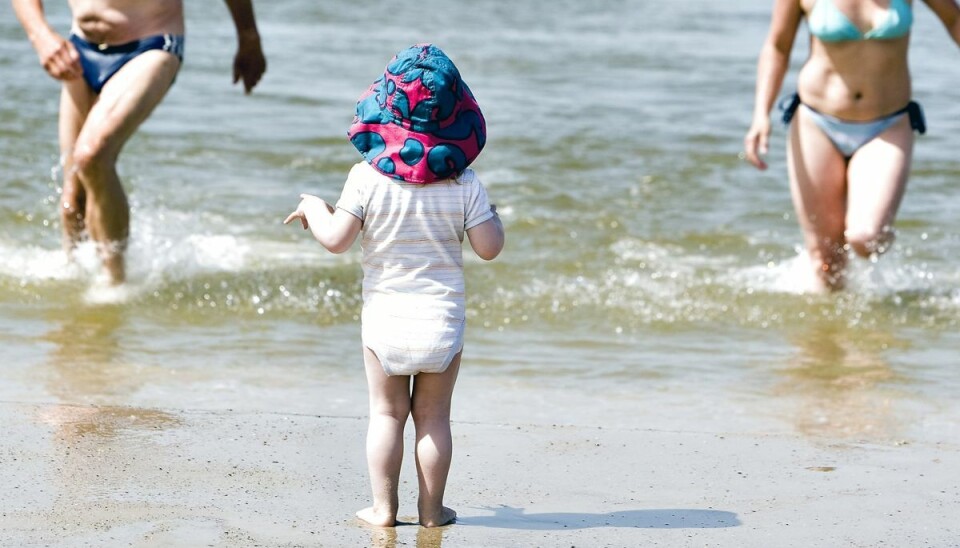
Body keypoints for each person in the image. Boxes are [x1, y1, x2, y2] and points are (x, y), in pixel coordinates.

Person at [284, 43, 503, 527]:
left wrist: (313, 207)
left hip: (385, 323)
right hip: (441, 324)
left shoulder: (365, 178)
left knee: (386, 417)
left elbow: (338, 240)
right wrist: (493, 216)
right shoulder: (464, 184)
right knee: (433, 419)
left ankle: (384, 509)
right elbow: (489, 247)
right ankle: (431, 511)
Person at [12, 0, 267, 285]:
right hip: (80, 47)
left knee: (92, 155)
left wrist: (248, 36)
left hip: (150, 44)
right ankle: (75, 299)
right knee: (73, 202)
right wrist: (41, 35)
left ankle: (114, 286)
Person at [744, 0, 960, 290]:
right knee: (825, 261)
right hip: (816, 122)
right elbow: (777, 47)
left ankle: (879, 252)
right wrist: (761, 115)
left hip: (888, 125)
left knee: (865, 236)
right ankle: (831, 333)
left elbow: (955, 21)